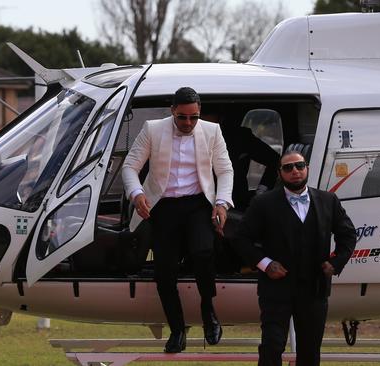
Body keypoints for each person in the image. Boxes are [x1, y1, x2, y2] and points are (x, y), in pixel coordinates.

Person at [121, 87, 234, 353]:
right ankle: (176, 328)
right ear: (172, 111)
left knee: (204, 252)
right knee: (164, 270)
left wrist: (222, 202)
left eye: (193, 117)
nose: (188, 123)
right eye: (182, 117)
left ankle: (209, 311)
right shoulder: (152, 129)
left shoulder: (211, 131)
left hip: (197, 203)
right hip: (164, 205)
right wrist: (137, 194)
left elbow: (225, 170)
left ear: (199, 113)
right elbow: (130, 166)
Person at [235, 151, 356, 366]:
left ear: (307, 168)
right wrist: (265, 264)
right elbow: (241, 238)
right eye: (288, 168)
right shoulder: (263, 203)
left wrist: (336, 262)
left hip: (314, 288)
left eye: (299, 166)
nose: (295, 171)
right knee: (272, 345)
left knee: (309, 351)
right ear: (280, 173)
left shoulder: (328, 200)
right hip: (275, 289)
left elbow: (348, 235)